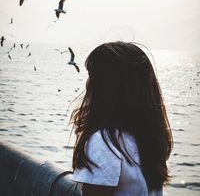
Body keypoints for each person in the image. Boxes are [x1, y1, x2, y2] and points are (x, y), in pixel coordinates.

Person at [70, 41, 173, 196]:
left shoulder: (104, 142)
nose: (87, 82)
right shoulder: (147, 138)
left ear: (106, 88)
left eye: (93, 75)